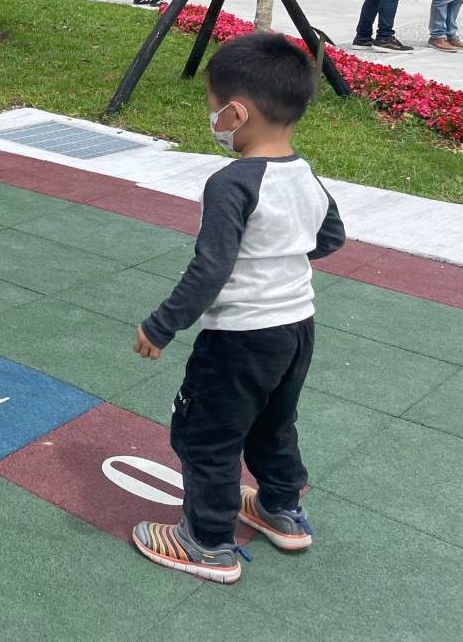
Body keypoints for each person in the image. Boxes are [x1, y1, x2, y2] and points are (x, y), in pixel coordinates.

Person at [128, 32, 345, 584]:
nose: (214, 120)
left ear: (238, 112)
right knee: (275, 423)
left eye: (214, 109)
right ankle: (280, 508)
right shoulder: (305, 174)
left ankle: (206, 541)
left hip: (240, 338)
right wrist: (282, 252)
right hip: (297, 328)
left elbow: (212, 267)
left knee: (208, 435)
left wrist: (161, 325)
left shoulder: (232, 183)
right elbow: (331, 237)